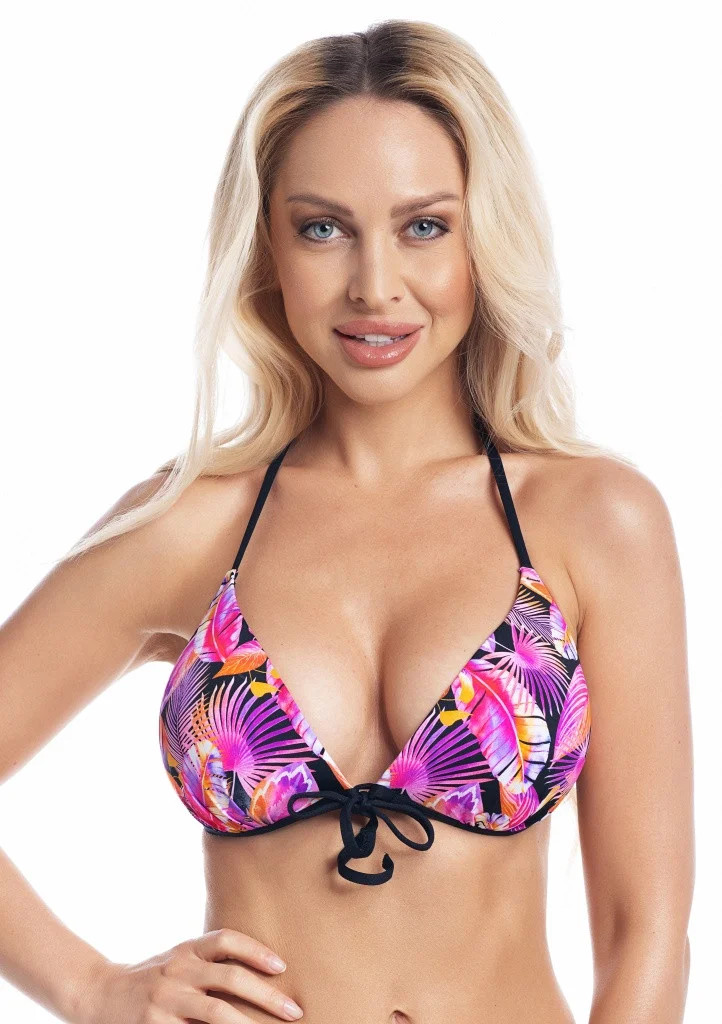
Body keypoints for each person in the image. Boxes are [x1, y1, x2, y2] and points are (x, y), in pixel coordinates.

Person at [0, 18, 694, 1024]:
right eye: (323, 229)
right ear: (267, 248)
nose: (375, 286)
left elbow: (644, 933)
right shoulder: (190, 523)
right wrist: (91, 986)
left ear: (484, 235)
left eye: (424, 227)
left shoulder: (593, 520)